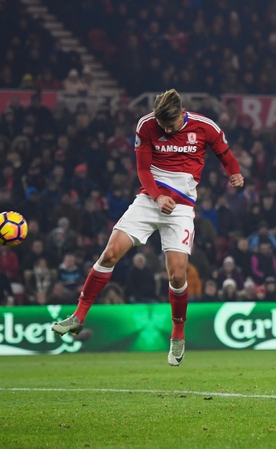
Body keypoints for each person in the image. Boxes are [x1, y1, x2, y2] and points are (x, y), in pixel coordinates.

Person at [51, 89, 244, 367]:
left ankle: (178, 334)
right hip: (149, 199)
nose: (165, 129)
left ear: (181, 112)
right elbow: (142, 169)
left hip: (181, 209)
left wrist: (234, 172)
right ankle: (78, 317)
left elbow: (225, 154)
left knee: (178, 276)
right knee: (109, 254)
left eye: (171, 125)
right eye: (162, 124)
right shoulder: (146, 125)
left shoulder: (205, 127)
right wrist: (157, 196)